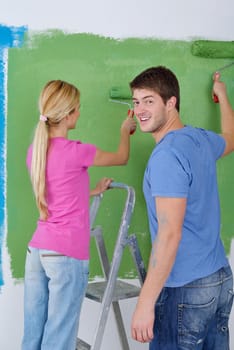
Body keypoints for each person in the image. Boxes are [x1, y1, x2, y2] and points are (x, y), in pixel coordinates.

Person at [22, 79, 136, 350]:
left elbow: (59, 194)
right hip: (65, 254)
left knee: (33, 333)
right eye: (78, 108)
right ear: (68, 113)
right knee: (59, 338)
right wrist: (125, 130)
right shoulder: (77, 151)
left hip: (37, 251)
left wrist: (93, 191)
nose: (80, 113)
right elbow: (122, 157)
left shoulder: (35, 152)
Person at [130, 66, 234, 349]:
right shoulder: (199, 139)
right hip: (219, 280)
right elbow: (230, 137)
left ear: (171, 102)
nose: (140, 109)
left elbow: (169, 234)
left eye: (149, 101)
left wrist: (145, 302)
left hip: (185, 290)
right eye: (136, 101)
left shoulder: (167, 156)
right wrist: (222, 96)